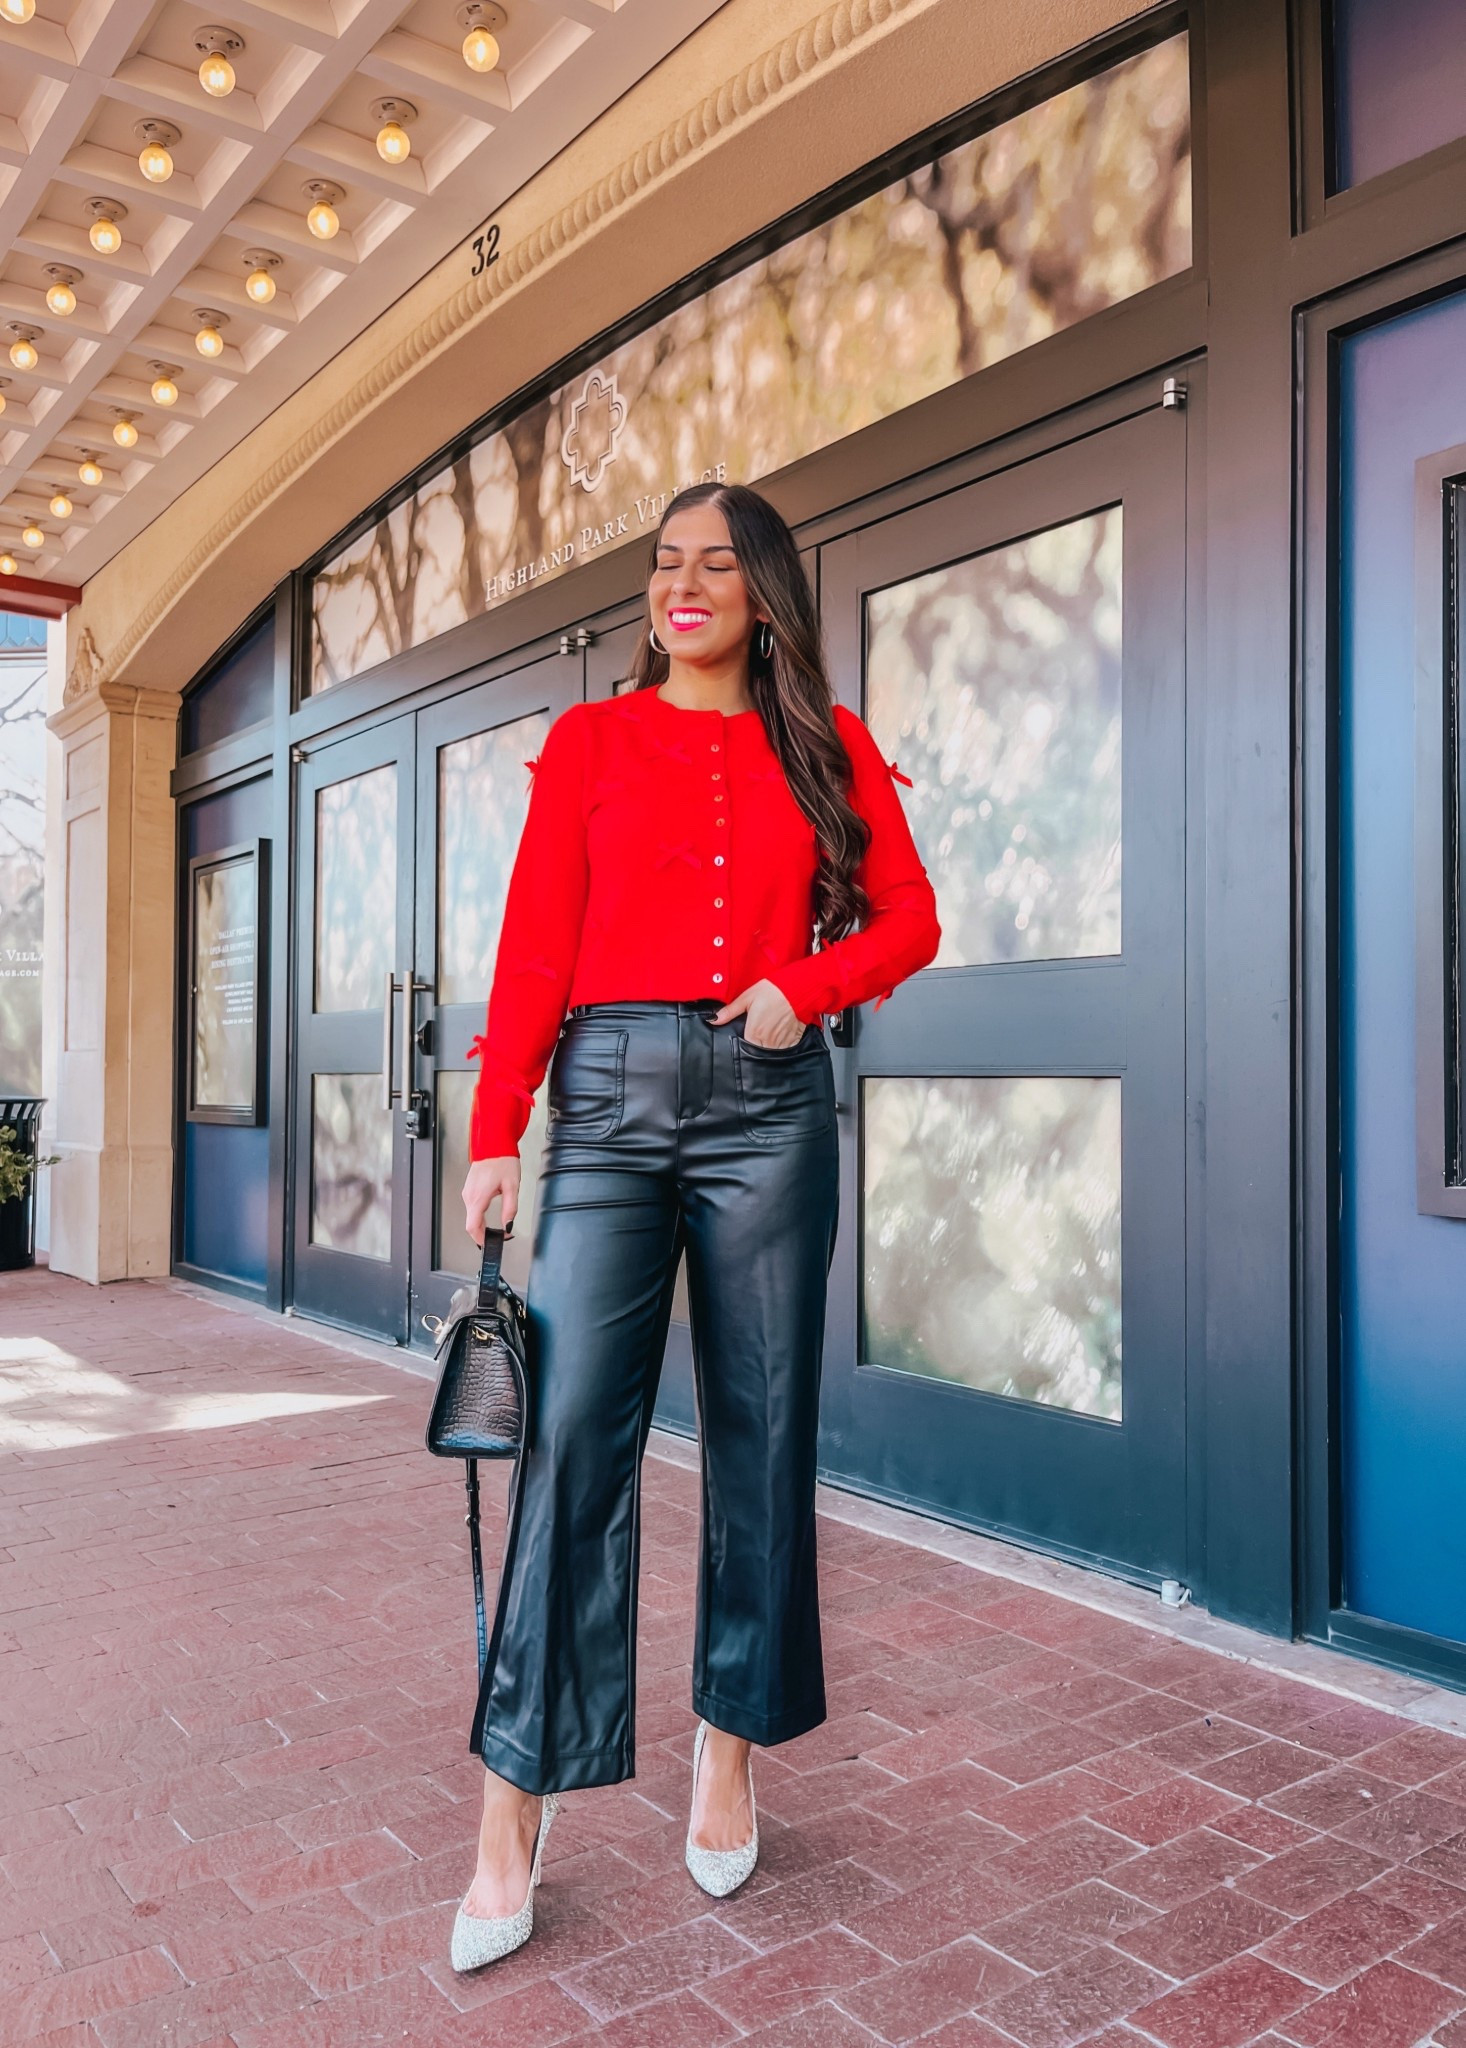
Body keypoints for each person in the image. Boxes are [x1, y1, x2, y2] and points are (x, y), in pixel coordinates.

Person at [451, 480, 940, 1970]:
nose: (685, 585)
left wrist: (808, 987)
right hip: (601, 1105)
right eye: (666, 565)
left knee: (762, 1428)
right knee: (574, 1438)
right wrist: (494, 1133)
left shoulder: (826, 743)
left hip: (767, 1106)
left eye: (715, 565)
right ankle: (509, 1809)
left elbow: (907, 921)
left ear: (762, 592)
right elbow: (537, 940)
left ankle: (727, 1752)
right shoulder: (589, 740)